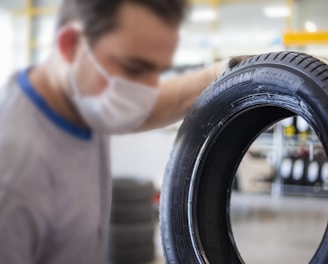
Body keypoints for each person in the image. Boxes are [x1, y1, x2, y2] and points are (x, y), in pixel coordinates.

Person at [0, 0, 244, 263]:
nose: (147, 88)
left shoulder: (84, 101)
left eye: (157, 70)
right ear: (71, 45)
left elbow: (159, 103)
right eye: (134, 68)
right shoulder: (14, 169)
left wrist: (223, 73)